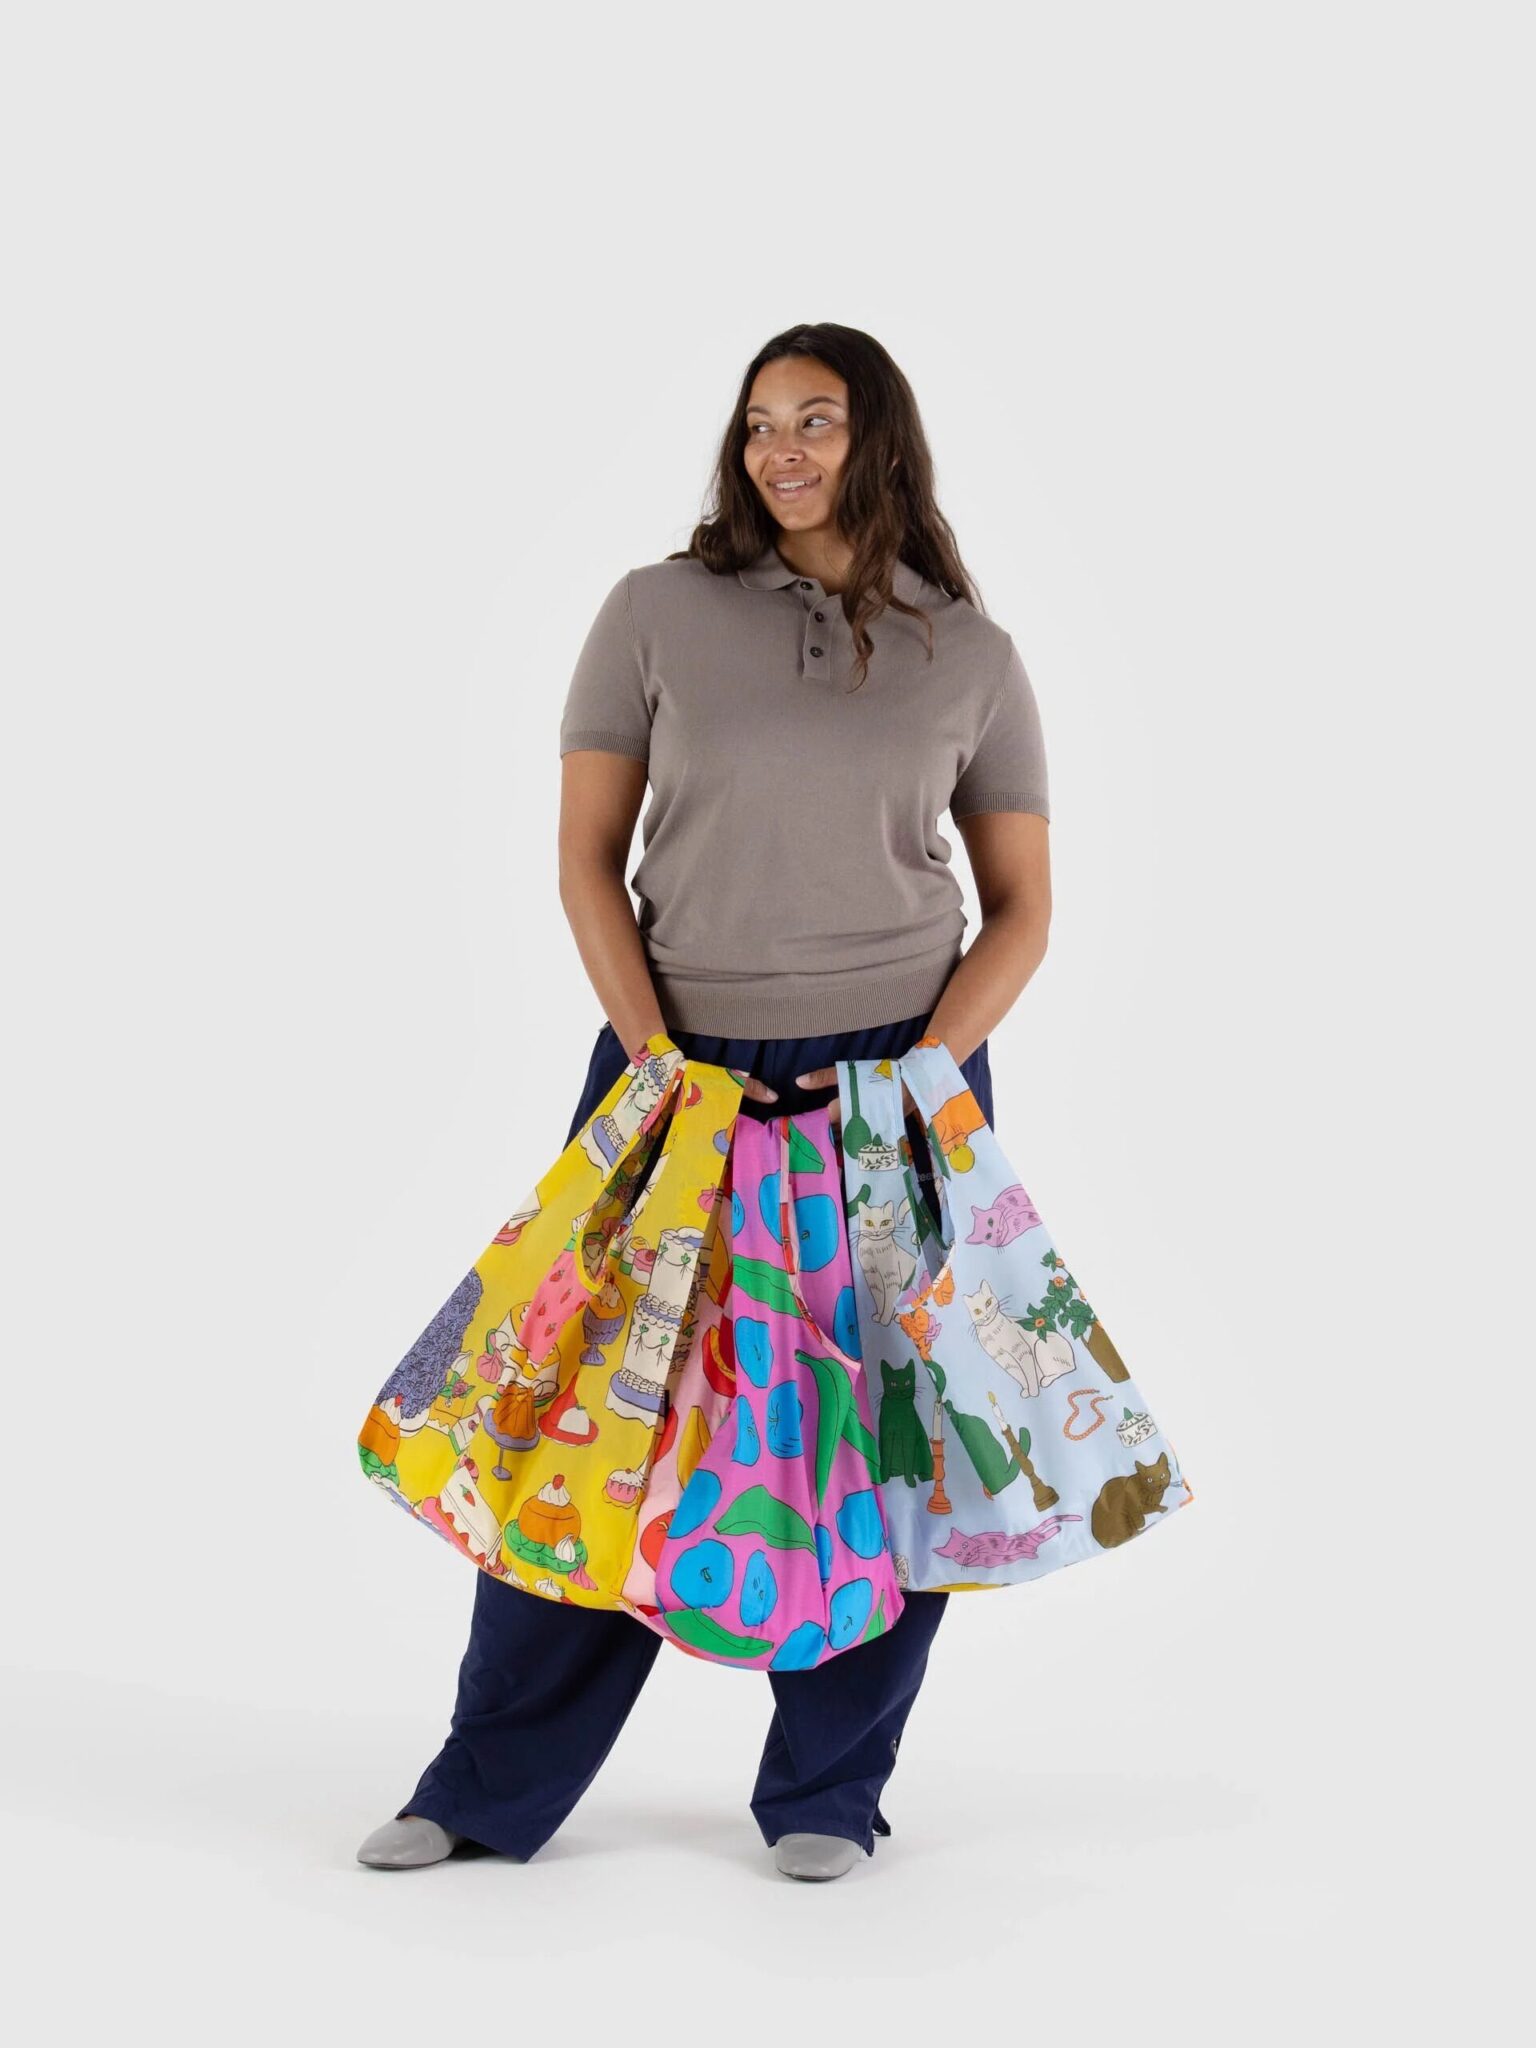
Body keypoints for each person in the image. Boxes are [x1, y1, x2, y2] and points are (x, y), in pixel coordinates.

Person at [357, 321, 1052, 1881]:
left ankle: (828, 1791)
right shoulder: (653, 614)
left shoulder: (976, 654)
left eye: (816, 420)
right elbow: (584, 861)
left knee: (878, 1436)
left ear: (883, 441)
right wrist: (653, 1053)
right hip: (672, 1068)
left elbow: (1019, 908)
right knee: (591, 1417)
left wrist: (923, 1074)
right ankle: (487, 1788)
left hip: (897, 1071)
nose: (780, 450)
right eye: (757, 425)